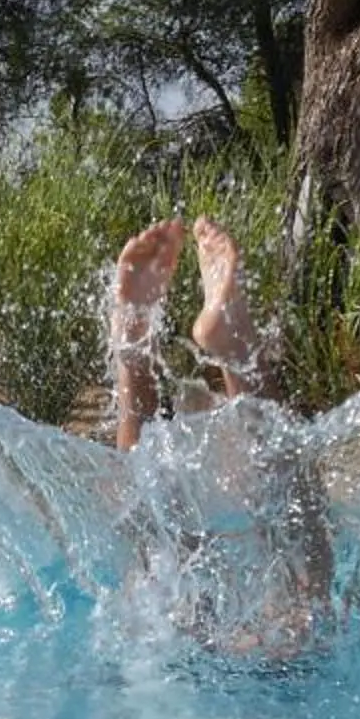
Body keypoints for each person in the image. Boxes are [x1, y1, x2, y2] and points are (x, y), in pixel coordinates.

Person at [104, 215, 342, 668]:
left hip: (172, 670)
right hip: (273, 683)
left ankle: (135, 355)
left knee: (154, 564)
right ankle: (231, 348)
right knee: (309, 587)